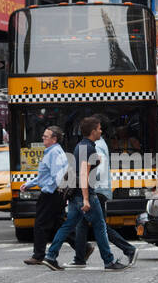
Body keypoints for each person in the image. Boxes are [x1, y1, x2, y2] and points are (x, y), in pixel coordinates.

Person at [43, 116, 127, 271]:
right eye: (99, 128)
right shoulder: (88, 148)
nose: (101, 131)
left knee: (68, 226)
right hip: (84, 193)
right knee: (100, 226)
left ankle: (51, 256)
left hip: (76, 193)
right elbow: (83, 174)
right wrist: (87, 199)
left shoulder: (81, 146)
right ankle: (109, 261)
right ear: (93, 131)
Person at [72, 116, 138, 267]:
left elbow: (98, 169)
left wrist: (86, 189)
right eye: (99, 128)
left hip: (98, 190)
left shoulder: (96, 145)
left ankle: (128, 249)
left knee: (100, 226)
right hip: (95, 189)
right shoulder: (94, 144)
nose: (101, 131)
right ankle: (80, 257)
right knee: (82, 224)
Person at [23, 126, 70, 265]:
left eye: (46, 136)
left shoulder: (54, 152)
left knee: (40, 224)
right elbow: (46, 175)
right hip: (55, 194)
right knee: (59, 223)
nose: (43, 138)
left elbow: (57, 176)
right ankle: (84, 247)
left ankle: (38, 255)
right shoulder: (53, 151)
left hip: (51, 195)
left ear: (54, 139)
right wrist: (30, 184)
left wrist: (48, 189)